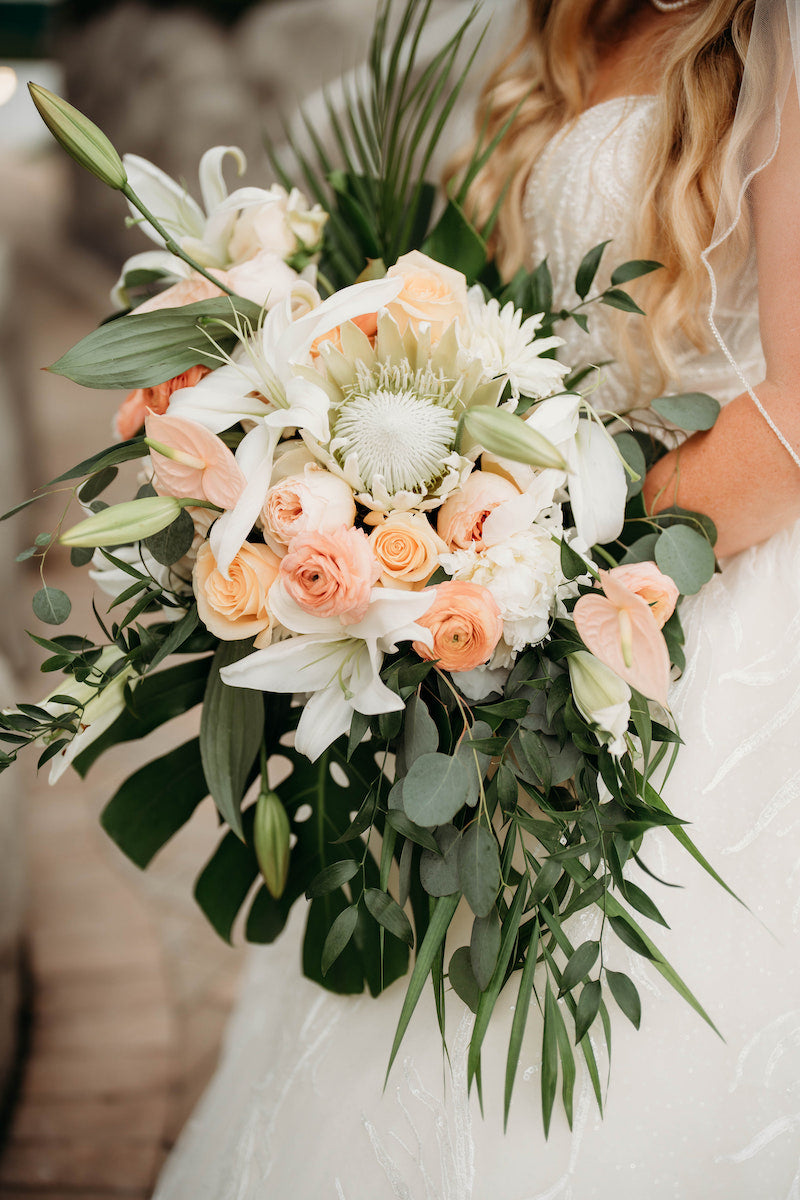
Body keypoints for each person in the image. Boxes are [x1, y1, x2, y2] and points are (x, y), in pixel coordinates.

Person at [152, 1, 800, 1196]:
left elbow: (797, 418)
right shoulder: (568, 30)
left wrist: (572, 549)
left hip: (687, 580)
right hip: (523, 594)